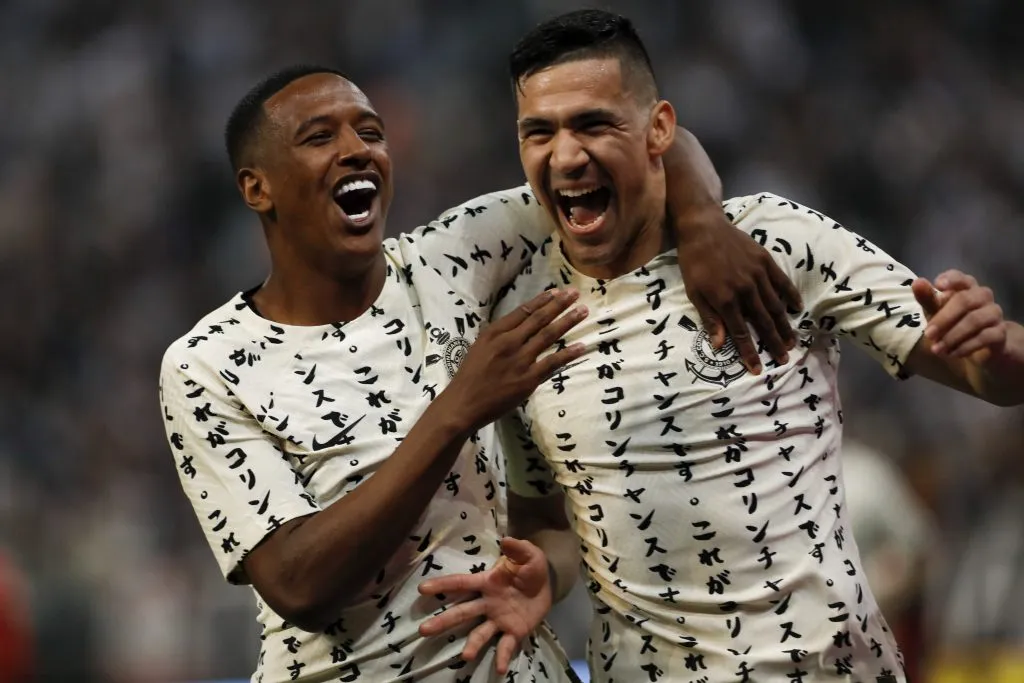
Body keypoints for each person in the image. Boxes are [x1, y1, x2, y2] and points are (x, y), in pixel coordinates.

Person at [418, 9, 1024, 683]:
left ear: (660, 129)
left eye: (592, 124)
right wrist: (545, 574)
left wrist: (994, 351)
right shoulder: (526, 322)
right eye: (540, 132)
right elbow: (548, 522)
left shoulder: (774, 240)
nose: (565, 155)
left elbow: (991, 375)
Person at [157, 64, 801, 683]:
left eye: (371, 132)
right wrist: (458, 409)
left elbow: (642, 151)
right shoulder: (207, 364)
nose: (357, 150)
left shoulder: (450, 260)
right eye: (319, 137)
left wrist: (702, 222)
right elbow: (300, 586)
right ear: (257, 188)